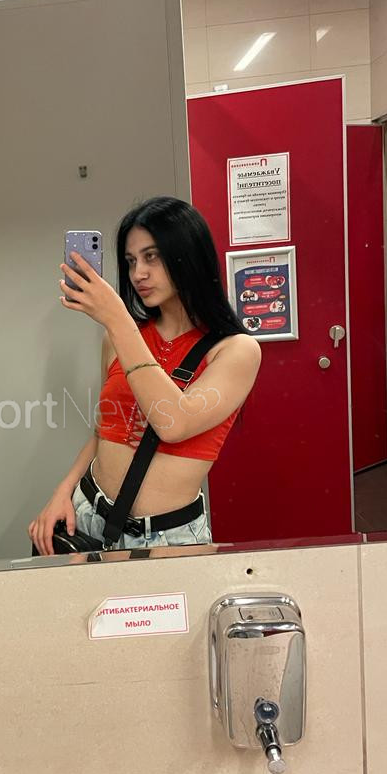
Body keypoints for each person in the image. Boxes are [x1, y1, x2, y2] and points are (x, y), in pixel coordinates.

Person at [28, 196, 261, 555]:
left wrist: (117, 319)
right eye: (131, 261)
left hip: (168, 538)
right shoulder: (117, 338)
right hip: (87, 513)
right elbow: (105, 429)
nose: (138, 274)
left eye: (152, 256)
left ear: (188, 255)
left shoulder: (236, 350)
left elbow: (174, 422)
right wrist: (63, 491)